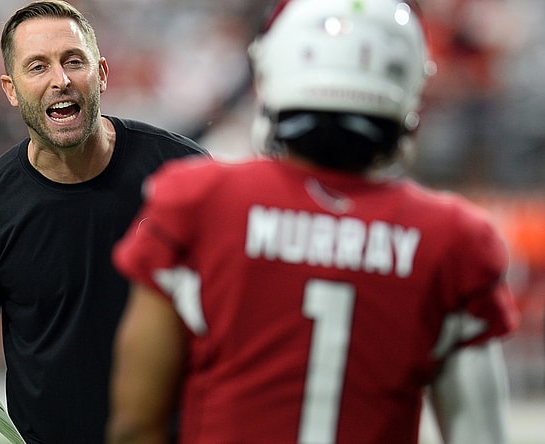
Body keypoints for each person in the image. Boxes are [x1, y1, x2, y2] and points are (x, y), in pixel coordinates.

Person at [107, 1, 519, 443]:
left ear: (272, 72)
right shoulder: (453, 238)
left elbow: (135, 424)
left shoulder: (198, 201)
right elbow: (481, 436)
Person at [0, 1, 207, 443]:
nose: (60, 80)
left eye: (73, 61)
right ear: (11, 89)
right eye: (37, 66)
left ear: (101, 73)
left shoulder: (185, 174)